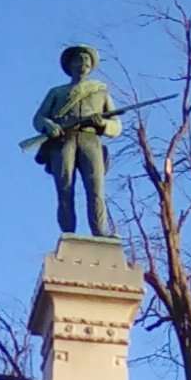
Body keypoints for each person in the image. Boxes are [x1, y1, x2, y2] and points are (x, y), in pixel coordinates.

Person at [32, 44, 121, 237]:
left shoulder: (100, 91)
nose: (84, 63)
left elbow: (116, 127)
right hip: (63, 140)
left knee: (96, 188)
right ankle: (68, 231)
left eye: (87, 60)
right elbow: (38, 119)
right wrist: (50, 126)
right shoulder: (57, 92)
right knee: (65, 187)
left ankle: (100, 230)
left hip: (90, 139)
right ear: (71, 64)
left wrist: (102, 124)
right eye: (80, 59)